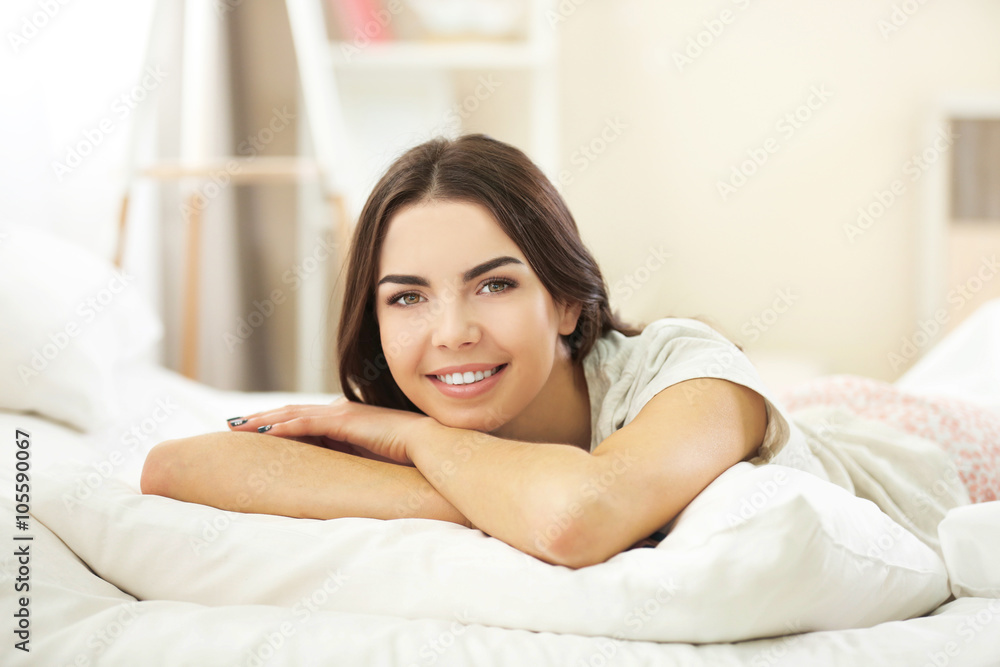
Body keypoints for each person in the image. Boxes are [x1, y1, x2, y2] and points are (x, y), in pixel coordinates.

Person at [140, 134, 967, 568]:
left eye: (494, 284)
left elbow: (574, 518)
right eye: (407, 297)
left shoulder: (681, 362)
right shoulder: (412, 403)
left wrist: (421, 443)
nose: (452, 331)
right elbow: (177, 469)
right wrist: (477, 487)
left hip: (934, 448)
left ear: (566, 300)